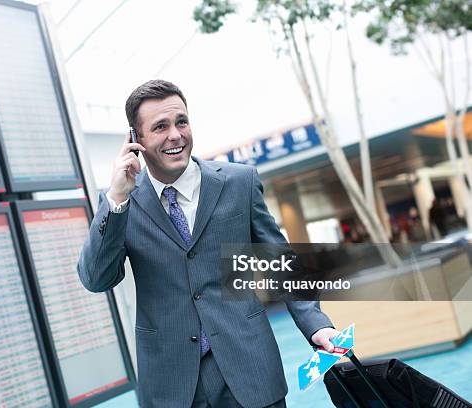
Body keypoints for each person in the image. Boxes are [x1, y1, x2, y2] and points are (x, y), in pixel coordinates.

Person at [77, 80, 338, 407]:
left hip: (249, 368)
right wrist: (116, 198)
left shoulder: (239, 182)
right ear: (136, 139)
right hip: (171, 384)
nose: (175, 135)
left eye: (181, 122)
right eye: (160, 127)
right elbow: (96, 279)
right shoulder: (121, 203)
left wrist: (316, 325)